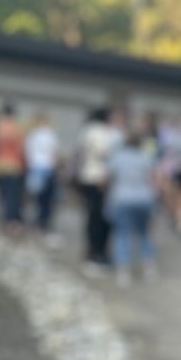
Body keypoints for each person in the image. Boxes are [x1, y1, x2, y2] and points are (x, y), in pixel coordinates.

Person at [105, 123, 158, 285]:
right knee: (144, 234)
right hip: (144, 199)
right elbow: (153, 179)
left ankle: (124, 271)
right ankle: (149, 267)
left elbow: (107, 177)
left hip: (123, 199)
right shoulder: (146, 157)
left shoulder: (118, 157)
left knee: (123, 234)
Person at [77, 106, 121, 266]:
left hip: (88, 177)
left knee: (92, 216)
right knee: (101, 218)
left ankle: (92, 250)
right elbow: (104, 153)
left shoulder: (86, 131)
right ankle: (97, 252)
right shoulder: (102, 132)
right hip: (100, 179)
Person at [0, 103, 27, 232]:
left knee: (4, 195)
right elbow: (21, 149)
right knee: (13, 196)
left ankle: (5, 219)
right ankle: (11, 221)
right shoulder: (16, 128)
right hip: (13, 166)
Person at [25, 110, 62, 236]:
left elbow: (28, 153)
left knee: (37, 199)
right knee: (46, 200)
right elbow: (55, 154)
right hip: (46, 169)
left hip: (36, 168)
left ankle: (38, 223)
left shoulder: (33, 135)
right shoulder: (50, 135)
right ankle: (43, 224)